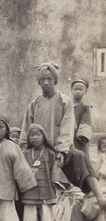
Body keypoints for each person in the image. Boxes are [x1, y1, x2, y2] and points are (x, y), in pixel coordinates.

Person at [20, 62, 105, 210]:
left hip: (59, 149)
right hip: (39, 151)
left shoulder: (65, 101)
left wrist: (61, 151)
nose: (46, 83)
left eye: (50, 79)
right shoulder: (34, 104)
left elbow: (67, 128)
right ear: (39, 81)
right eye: (43, 79)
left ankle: (99, 196)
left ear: (55, 80)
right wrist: (23, 150)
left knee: (80, 156)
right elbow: (26, 130)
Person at [20, 124, 58, 221]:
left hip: (45, 189)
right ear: (28, 138)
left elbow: (55, 171)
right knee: (29, 215)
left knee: (46, 216)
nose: (35, 137)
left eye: (38, 134)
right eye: (32, 135)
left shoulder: (50, 153)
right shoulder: (26, 154)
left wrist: (55, 185)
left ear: (44, 136)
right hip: (30, 190)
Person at [70, 136, 106, 221]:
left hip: (103, 192)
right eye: (104, 147)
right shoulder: (96, 161)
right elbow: (91, 176)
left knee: (91, 205)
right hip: (94, 191)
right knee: (77, 206)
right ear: (100, 149)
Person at [70, 77, 92, 155]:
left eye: (81, 89)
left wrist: (83, 135)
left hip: (79, 137)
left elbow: (86, 121)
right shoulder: (67, 105)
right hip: (68, 133)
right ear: (71, 90)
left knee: (81, 154)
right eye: (75, 89)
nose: (78, 92)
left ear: (85, 91)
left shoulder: (85, 106)